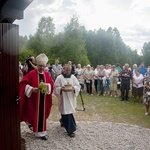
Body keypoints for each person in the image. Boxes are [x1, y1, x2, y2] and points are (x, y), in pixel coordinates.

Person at [19, 53, 54, 140]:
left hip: (44, 100)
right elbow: (23, 84)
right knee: (33, 114)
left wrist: (48, 86)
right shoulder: (31, 74)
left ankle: (41, 133)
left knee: (42, 115)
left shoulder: (47, 74)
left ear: (45, 66)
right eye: (40, 66)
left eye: (43, 66)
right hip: (34, 100)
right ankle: (33, 127)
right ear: (37, 65)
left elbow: (52, 84)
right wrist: (31, 89)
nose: (41, 68)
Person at [54, 64, 80, 137]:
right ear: (63, 69)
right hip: (63, 98)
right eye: (66, 70)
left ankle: (62, 120)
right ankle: (71, 130)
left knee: (68, 111)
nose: (68, 71)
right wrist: (60, 89)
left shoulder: (73, 77)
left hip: (71, 97)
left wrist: (73, 88)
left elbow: (78, 86)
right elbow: (55, 88)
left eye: (69, 70)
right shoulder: (59, 78)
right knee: (66, 112)